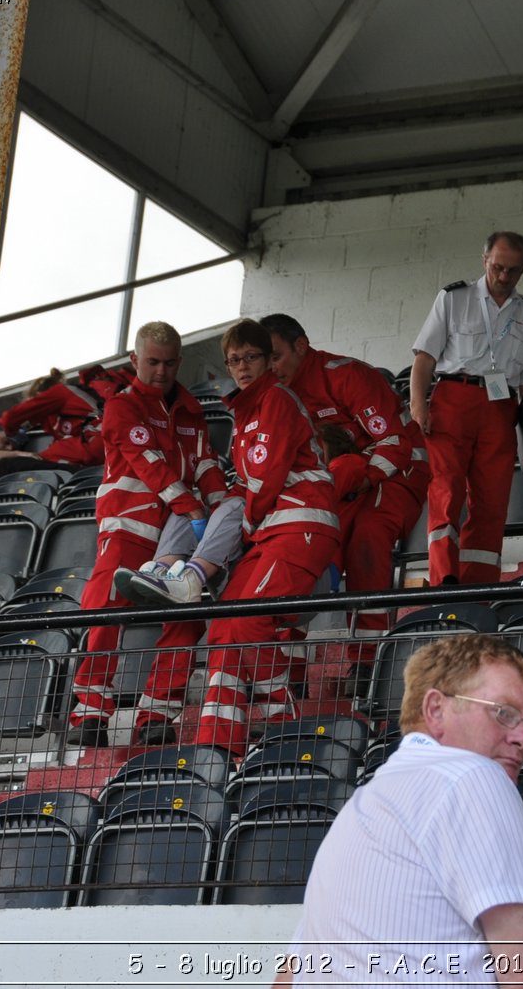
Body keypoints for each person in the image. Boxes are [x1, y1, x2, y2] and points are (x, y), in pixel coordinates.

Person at [273, 633, 523, 986]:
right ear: (436, 709)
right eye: (504, 714)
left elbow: (289, 976)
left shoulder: (359, 807)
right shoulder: (473, 775)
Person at [70, 322, 231, 747]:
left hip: (174, 531)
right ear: (134, 361)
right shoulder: (122, 408)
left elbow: (205, 465)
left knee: (186, 613)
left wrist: (220, 509)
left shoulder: (191, 411)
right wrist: (195, 509)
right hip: (130, 526)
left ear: (180, 361)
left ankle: (157, 712)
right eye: (153, 362)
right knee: (104, 606)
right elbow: (150, 465)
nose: (161, 370)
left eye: (169, 362)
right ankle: (89, 713)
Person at [190, 319, 340, 754]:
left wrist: (246, 524)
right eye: (234, 360)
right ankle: (216, 747)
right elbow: (247, 482)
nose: (242, 367)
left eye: (250, 357)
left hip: (300, 526)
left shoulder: (276, 399)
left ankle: (281, 717)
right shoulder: (244, 413)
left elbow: (269, 475)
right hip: (268, 533)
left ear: (269, 360)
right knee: (222, 625)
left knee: (250, 619)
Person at [261, 312, 429, 674]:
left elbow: (394, 443)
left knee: (367, 534)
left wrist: (357, 479)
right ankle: (289, 663)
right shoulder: (273, 396)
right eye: (264, 359)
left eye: (275, 356)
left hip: (396, 473)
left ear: (301, 346)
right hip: (336, 484)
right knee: (306, 540)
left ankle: (370, 659)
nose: (269, 367)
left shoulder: (345, 375)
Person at [409, 232, 523, 585]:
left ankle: (479, 585)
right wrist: (418, 406)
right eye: (498, 267)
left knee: (491, 501)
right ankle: (444, 578)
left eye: (513, 271)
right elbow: (424, 358)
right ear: (484, 259)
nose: (504, 277)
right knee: (447, 489)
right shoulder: (454, 298)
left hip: (501, 407)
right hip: (455, 399)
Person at [0, 365, 121, 476]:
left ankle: (82, 475)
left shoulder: (59, 393)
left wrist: (12, 434)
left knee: (32, 461)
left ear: (38, 396)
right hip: (101, 443)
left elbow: (9, 419)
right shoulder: (57, 417)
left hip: (97, 440)